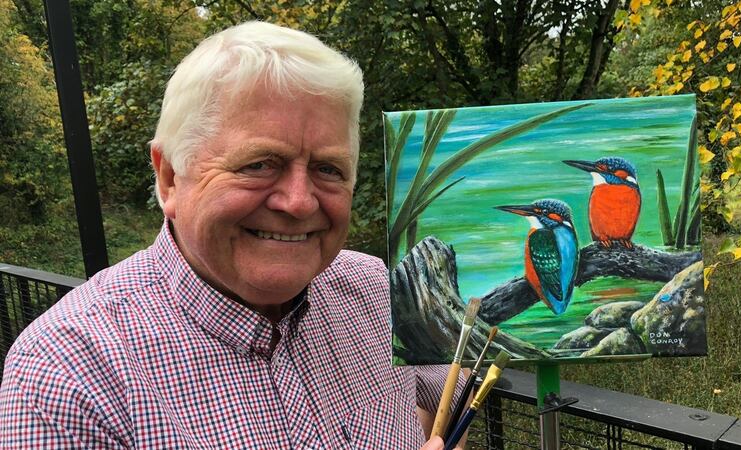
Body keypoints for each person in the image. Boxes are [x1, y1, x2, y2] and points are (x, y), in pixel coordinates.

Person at [0, 22, 465, 449]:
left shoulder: (372, 290)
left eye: (328, 169)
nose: (300, 201)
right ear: (169, 178)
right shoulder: (64, 379)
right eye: (259, 164)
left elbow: (446, 393)